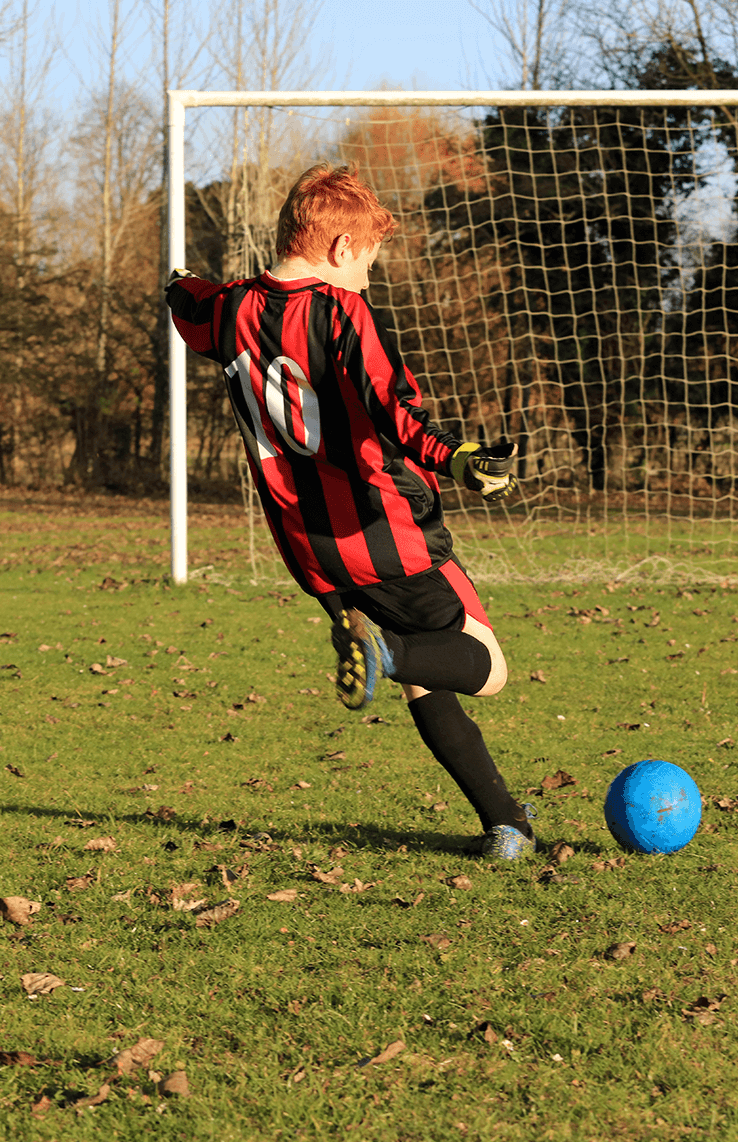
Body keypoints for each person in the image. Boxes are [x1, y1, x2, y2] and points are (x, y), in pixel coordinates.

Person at [166, 163, 538, 860]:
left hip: (310, 552)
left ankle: (506, 825)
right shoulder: (341, 312)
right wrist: (458, 459)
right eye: (368, 258)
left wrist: (180, 284)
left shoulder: (227, 311)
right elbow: (395, 412)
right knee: (486, 667)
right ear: (339, 250)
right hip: (382, 533)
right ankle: (385, 652)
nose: (369, 275)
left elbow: (186, 301)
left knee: (427, 678)